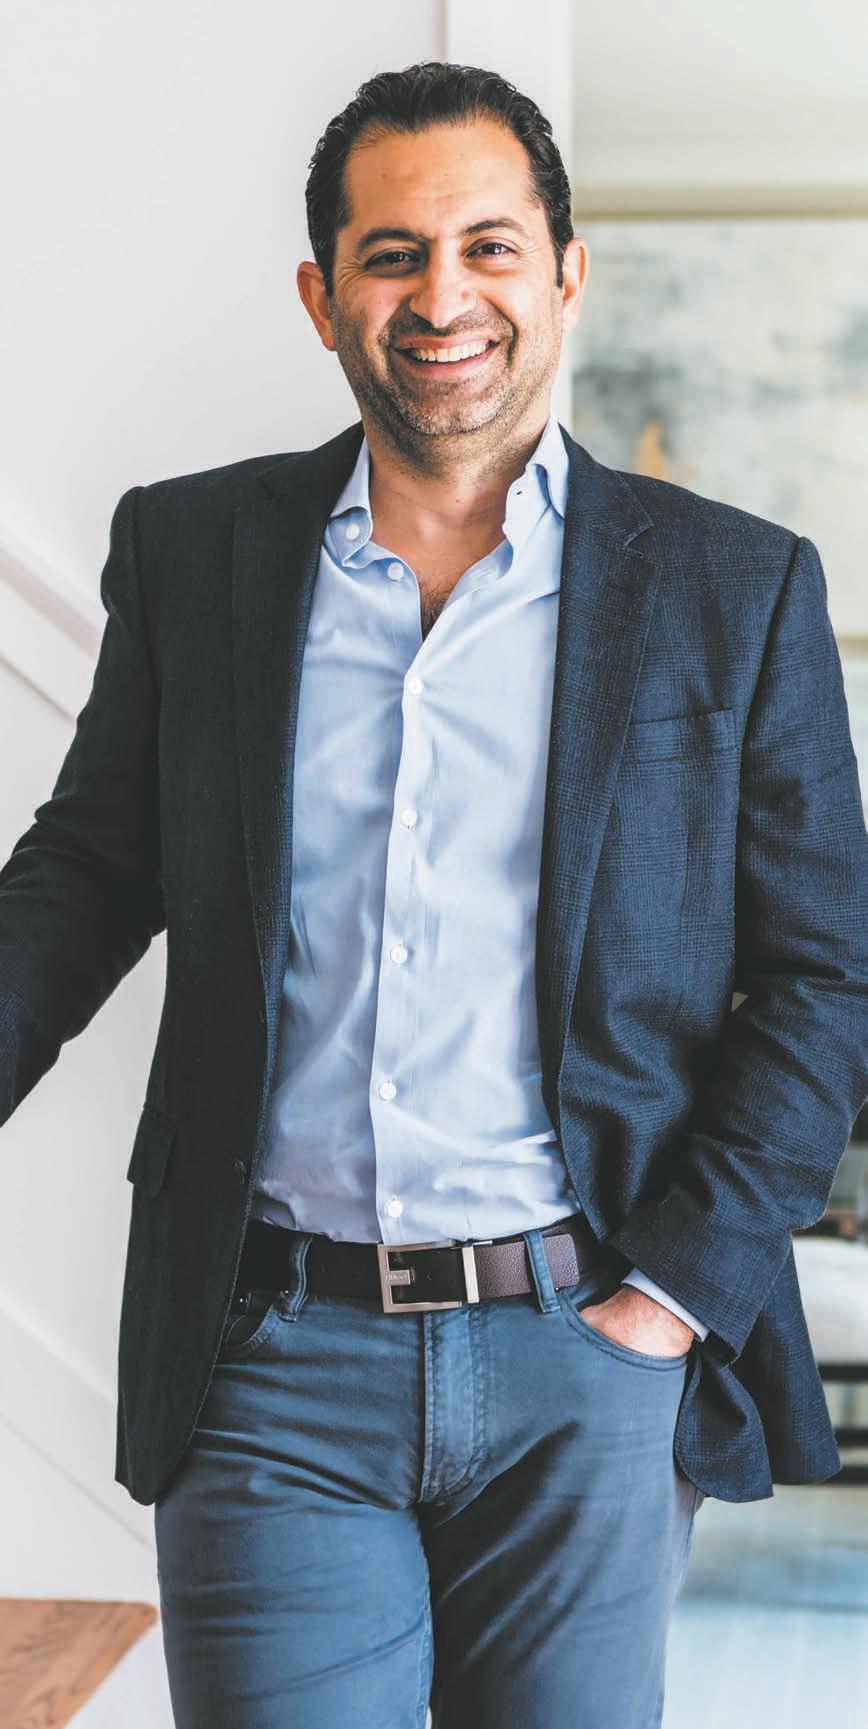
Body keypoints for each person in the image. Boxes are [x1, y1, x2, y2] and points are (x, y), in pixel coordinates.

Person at [1, 58, 866, 1729]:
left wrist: (666, 1297)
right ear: (323, 295)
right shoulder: (195, 553)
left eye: (488, 246)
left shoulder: (734, 587)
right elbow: (89, 869)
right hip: (269, 1356)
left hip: (587, 1349)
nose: (442, 295)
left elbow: (828, 973)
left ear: (565, 273)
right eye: (391, 254)